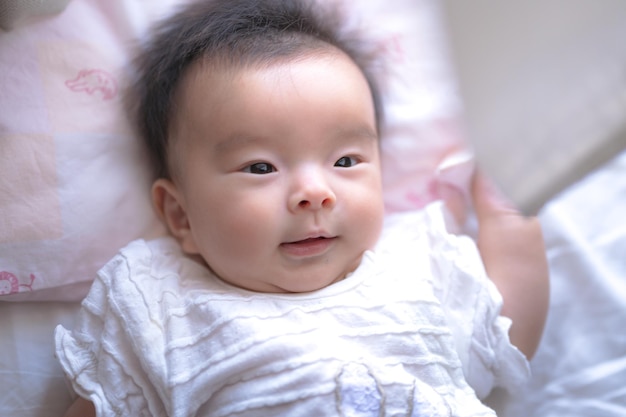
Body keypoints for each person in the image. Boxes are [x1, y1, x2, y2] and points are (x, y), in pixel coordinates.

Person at [55, 0, 549, 415]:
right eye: (261, 168)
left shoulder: (417, 264)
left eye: (346, 159)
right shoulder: (157, 301)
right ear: (181, 216)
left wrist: (509, 211)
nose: (315, 192)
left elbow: (505, 336)